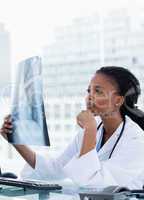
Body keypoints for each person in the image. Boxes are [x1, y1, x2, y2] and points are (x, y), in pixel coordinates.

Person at [1, 66, 144, 189]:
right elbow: (54, 170)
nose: (89, 97)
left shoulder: (136, 140)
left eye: (98, 91)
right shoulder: (91, 131)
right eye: (89, 91)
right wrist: (16, 142)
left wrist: (89, 130)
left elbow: (94, 184)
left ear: (118, 100)